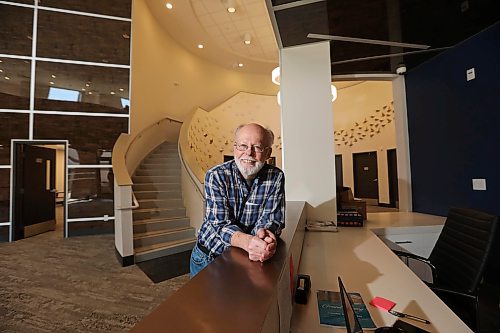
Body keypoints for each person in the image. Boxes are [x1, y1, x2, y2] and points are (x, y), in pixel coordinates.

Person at [190, 123, 285, 278]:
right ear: (234, 148)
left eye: (258, 147)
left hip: (243, 258)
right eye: (242, 146)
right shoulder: (216, 176)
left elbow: (272, 218)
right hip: (209, 257)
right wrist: (250, 243)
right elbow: (220, 225)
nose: (249, 152)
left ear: (268, 153)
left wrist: (265, 236)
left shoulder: (276, 177)